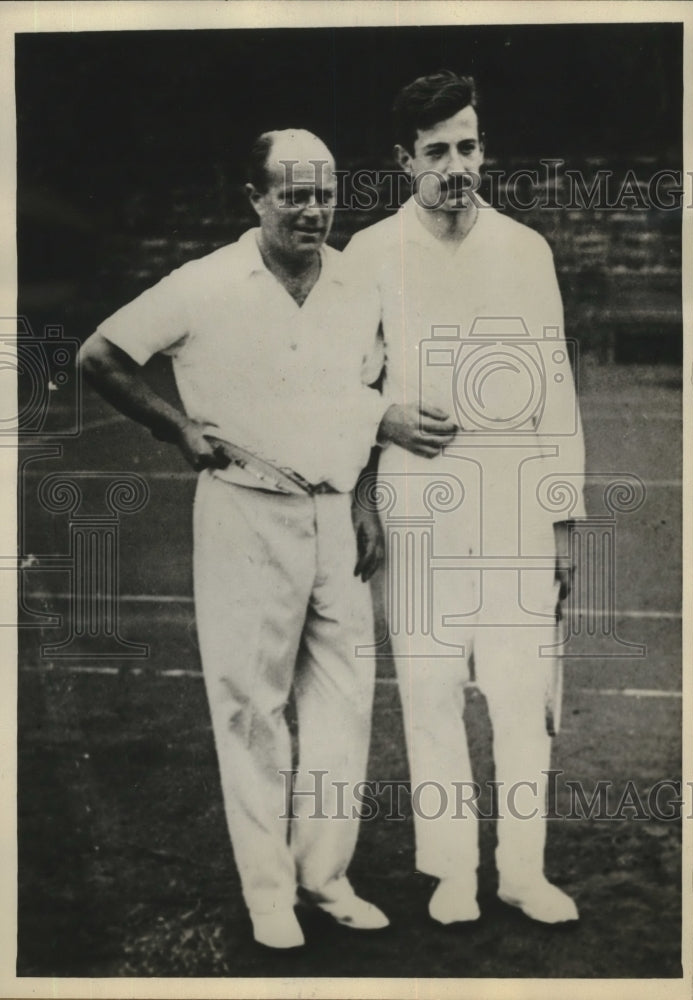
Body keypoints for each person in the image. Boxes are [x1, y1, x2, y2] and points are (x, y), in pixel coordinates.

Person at [78, 129, 391, 950]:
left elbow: (373, 391)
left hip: (337, 519)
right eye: (292, 194)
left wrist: (363, 499)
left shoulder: (359, 283)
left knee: (344, 703)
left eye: (324, 193)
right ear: (254, 198)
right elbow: (99, 355)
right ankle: (269, 895)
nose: (312, 210)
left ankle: (325, 877)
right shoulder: (204, 283)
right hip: (245, 512)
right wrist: (174, 427)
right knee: (252, 708)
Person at [346, 71, 586, 925]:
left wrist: (563, 526)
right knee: (430, 685)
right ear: (403, 159)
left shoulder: (527, 250)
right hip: (417, 501)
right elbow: (347, 383)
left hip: (516, 498)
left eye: (469, 146)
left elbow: (556, 389)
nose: (457, 165)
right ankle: (450, 871)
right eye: (438, 150)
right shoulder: (369, 255)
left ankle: (523, 869)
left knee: (523, 691)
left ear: (485, 150)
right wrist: (375, 454)